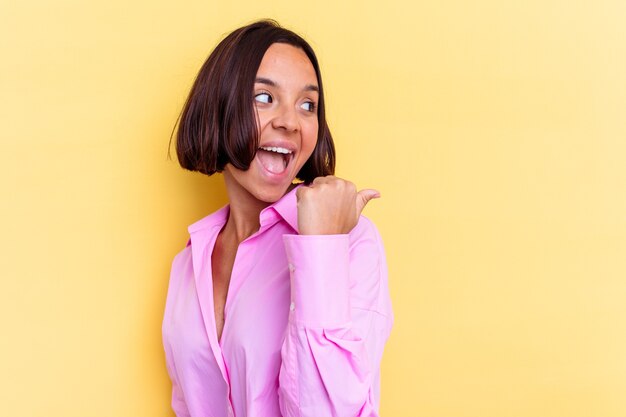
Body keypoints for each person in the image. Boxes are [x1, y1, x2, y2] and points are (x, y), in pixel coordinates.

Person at [163, 20, 393, 417]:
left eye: (307, 105)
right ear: (219, 105)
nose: (290, 121)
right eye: (264, 97)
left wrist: (321, 248)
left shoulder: (351, 243)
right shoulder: (189, 262)